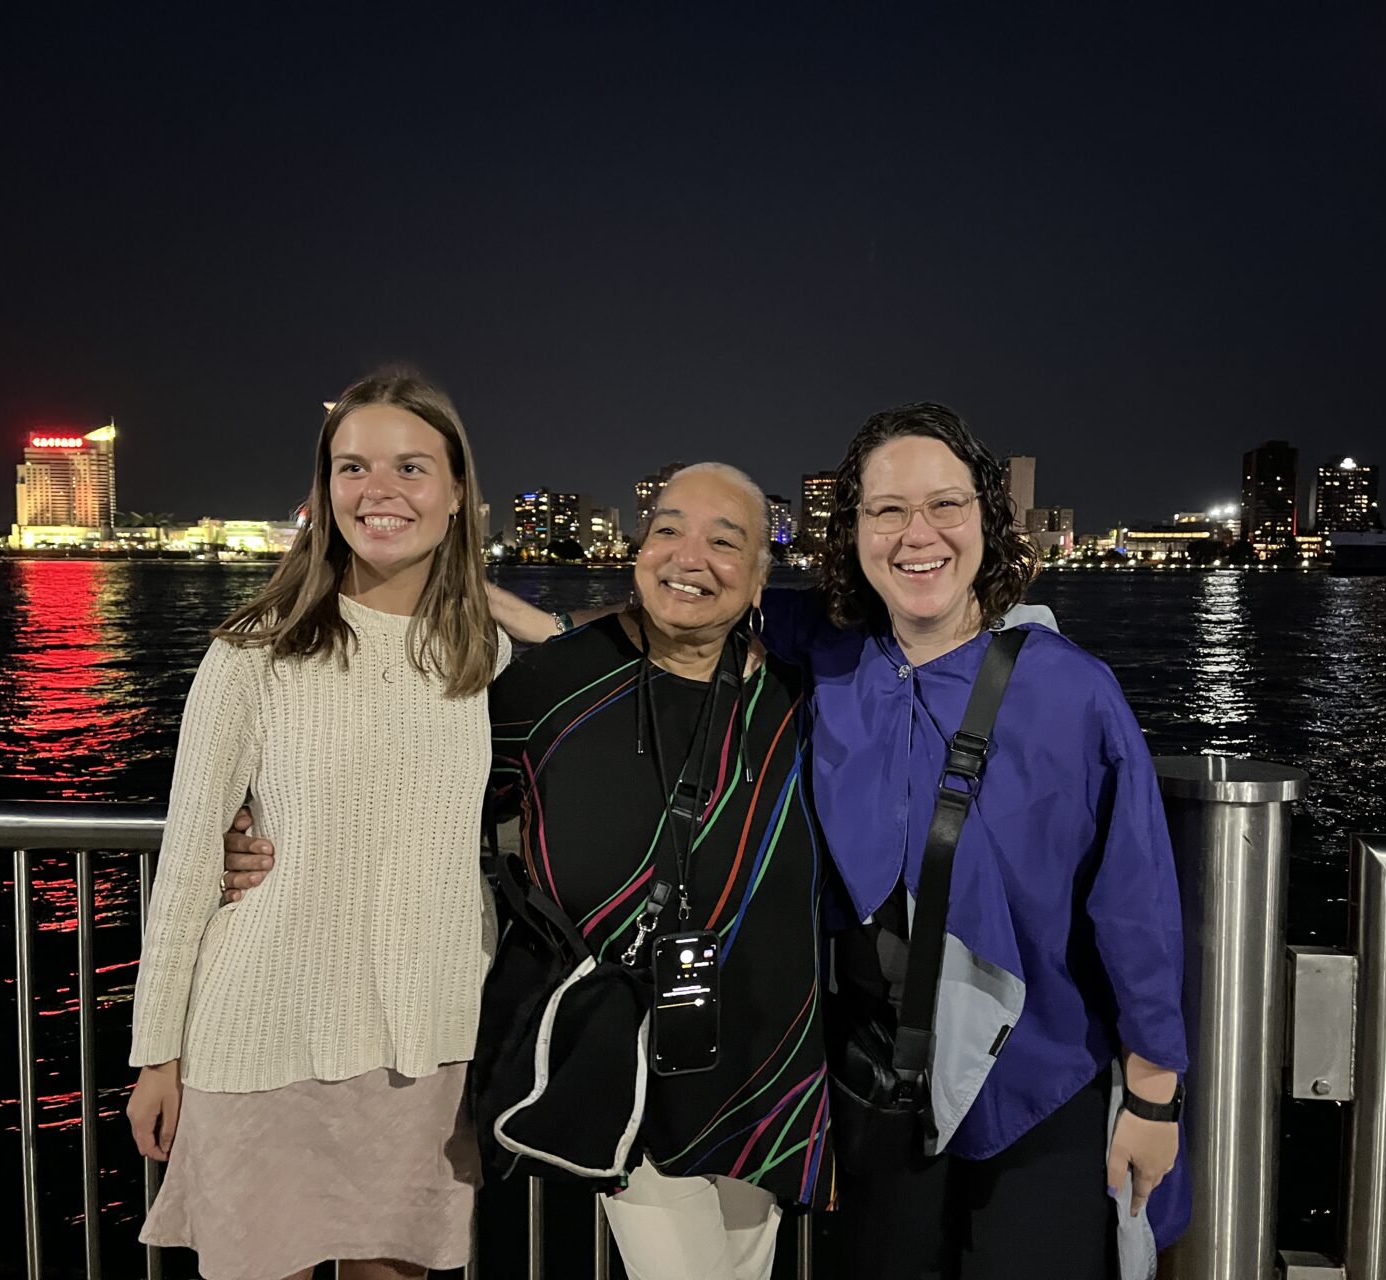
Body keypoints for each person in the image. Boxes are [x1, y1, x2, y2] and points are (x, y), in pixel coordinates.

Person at [482, 404, 1188, 1279]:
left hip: (1038, 1082)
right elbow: (683, 607)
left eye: (945, 506)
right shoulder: (825, 651)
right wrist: (479, 599)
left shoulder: (1073, 693)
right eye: (886, 510)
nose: (915, 535)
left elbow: (1137, 903)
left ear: (987, 522)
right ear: (850, 533)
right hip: (872, 1087)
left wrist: (1154, 1097)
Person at [223, 463, 834, 1280]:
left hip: (769, 1054)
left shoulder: (804, 699)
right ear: (636, 551)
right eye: (667, 530)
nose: (690, 555)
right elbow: (410, 780)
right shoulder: (550, 684)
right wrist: (263, 824)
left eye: (726, 542)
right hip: (631, 1052)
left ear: (761, 574)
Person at [126, 369, 507, 1280]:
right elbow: (185, 864)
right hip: (263, 1027)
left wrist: (506, 605)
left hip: (426, 1038)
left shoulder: (481, 656)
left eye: (412, 468)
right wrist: (156, 1054)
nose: (378, 491)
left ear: (458, 494)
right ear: (322, 491)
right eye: (352, 468)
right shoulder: (253, 653)